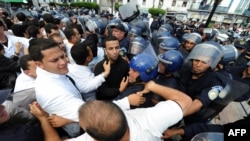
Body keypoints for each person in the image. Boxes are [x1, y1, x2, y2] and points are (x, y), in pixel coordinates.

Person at [29, 80, 192, 141]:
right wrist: (153, 86)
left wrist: (43, 119)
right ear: (123, 114)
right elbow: (185, 101)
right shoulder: (149, 120)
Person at [94, 35, 129, 100]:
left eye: (117, 48)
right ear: (105, 50)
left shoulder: (124, 63)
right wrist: (119, 90)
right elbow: (103, 91)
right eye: (111, 49)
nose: (115, 52)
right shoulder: (99, 67)